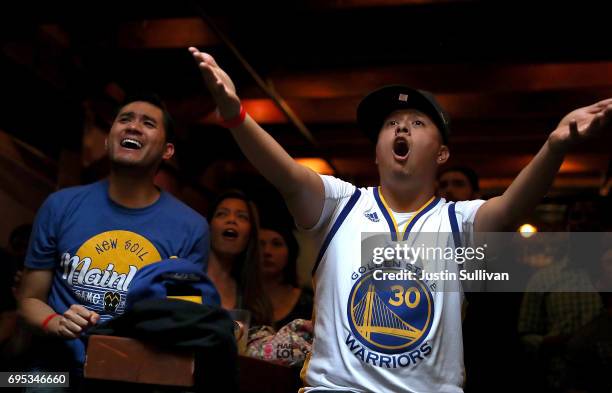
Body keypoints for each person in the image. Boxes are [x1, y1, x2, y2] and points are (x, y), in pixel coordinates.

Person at [189, 47, 612, 392]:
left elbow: (511, 207)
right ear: (376, 152)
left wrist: (555, 147)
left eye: (416, 122)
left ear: (442, 154)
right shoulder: (340, 205)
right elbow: (284, 172)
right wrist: (235, 114)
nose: (400, 128)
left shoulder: (457, 221)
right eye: (390, 124)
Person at [17, 93, 210, 389]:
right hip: (53, 367)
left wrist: (170, 300)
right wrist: (56, 323)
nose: (133, 127)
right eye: (124, 119)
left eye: (147, 123)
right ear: (108, 140)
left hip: (132, 373)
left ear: (167, 151)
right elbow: (29, 298)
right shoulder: (60, 205)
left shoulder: (191, 227)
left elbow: (183, 323)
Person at [207, 189, 273, 326]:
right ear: (209, 226)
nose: (231, 220)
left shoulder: (254, 299)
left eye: (242, 217)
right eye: (222, 214)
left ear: (250, 235)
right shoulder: (189, 280)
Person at [259, 220, 313, 330]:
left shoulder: (308, 303)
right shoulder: (240, 299)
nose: (267, 251)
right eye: (260, 244)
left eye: (276, 244)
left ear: (290, 252)